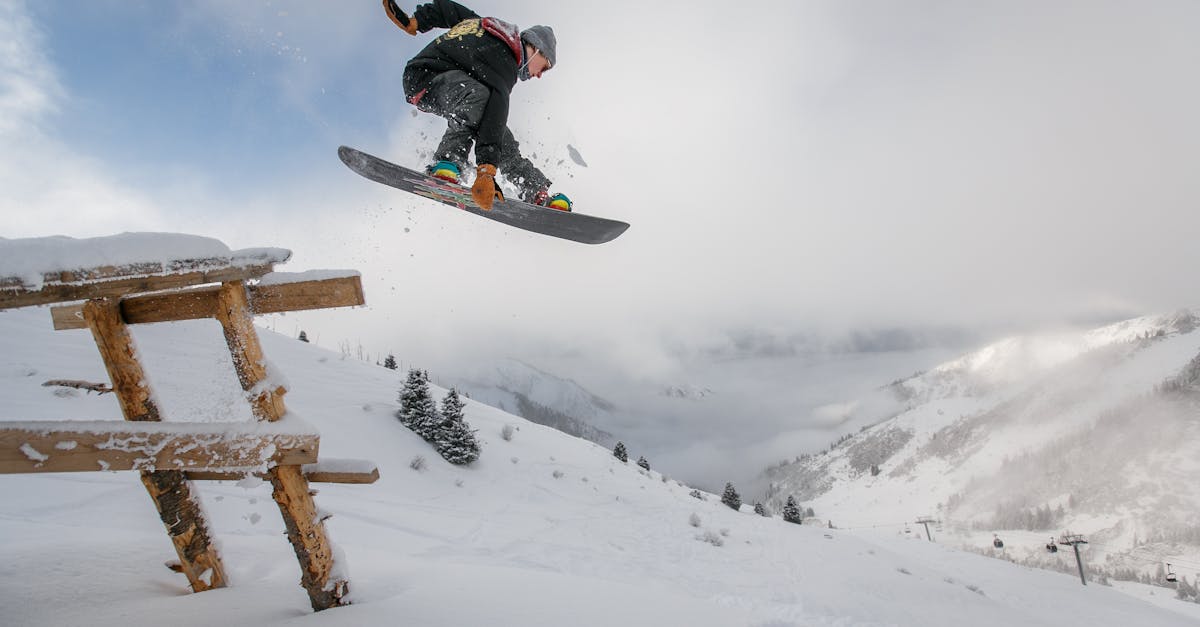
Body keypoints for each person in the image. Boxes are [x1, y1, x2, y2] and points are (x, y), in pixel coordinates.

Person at [384, 0, 572, 212]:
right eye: (544, 68)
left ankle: (535, 191)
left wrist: (416, 21)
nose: (538, 75)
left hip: (446, 81)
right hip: (424, 78)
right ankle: (448, 162)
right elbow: (497, 107)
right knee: (480, 100)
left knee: (496, 129)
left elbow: (449, 10)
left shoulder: (487, 27)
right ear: (537, 49)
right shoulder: (506, 62)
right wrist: (486, 171)